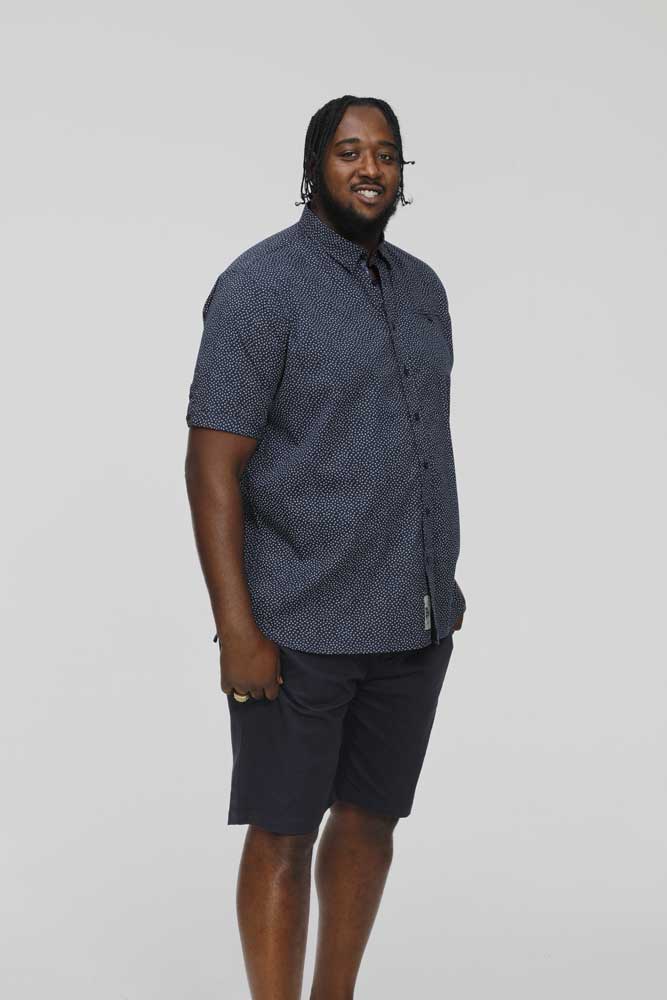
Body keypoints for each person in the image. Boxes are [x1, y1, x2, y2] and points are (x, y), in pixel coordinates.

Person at [184, 94, 467, 1000]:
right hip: (296, 621)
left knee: (372, 822)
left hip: (412, 618)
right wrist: (238, 631)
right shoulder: (261, 286)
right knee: (281, 832)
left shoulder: (423, 289)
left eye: (385, 152)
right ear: (315, 167)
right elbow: (212, 464)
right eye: (349, 151)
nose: (369, 167)